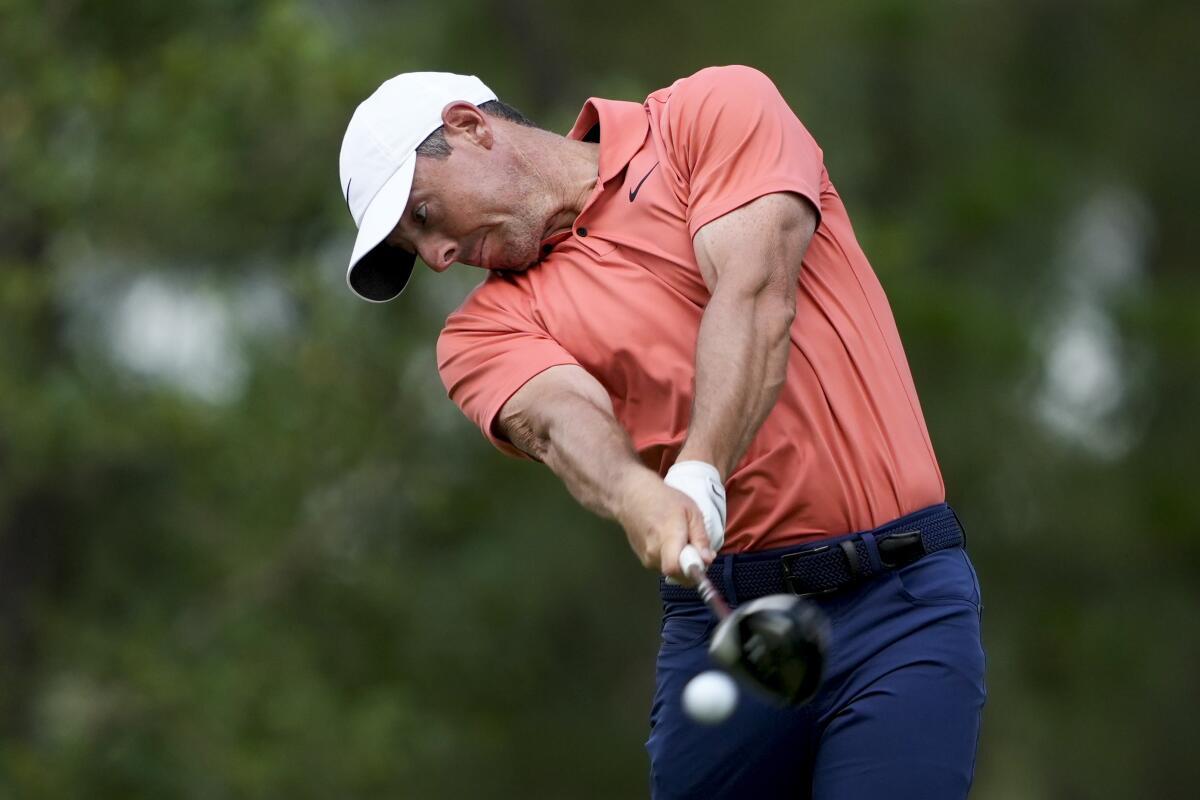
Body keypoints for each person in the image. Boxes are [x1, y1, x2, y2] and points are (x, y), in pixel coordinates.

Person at [338, 66, 985, 799]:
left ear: (469, 126)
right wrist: (633, 493)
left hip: (901, 604)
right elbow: (558, 419)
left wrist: (701, 469)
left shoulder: (708, 115)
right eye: (414, 250)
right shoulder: (481, 331)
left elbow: (756, 295)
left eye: (423, 217)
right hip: (725, 624)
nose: (438, 256)